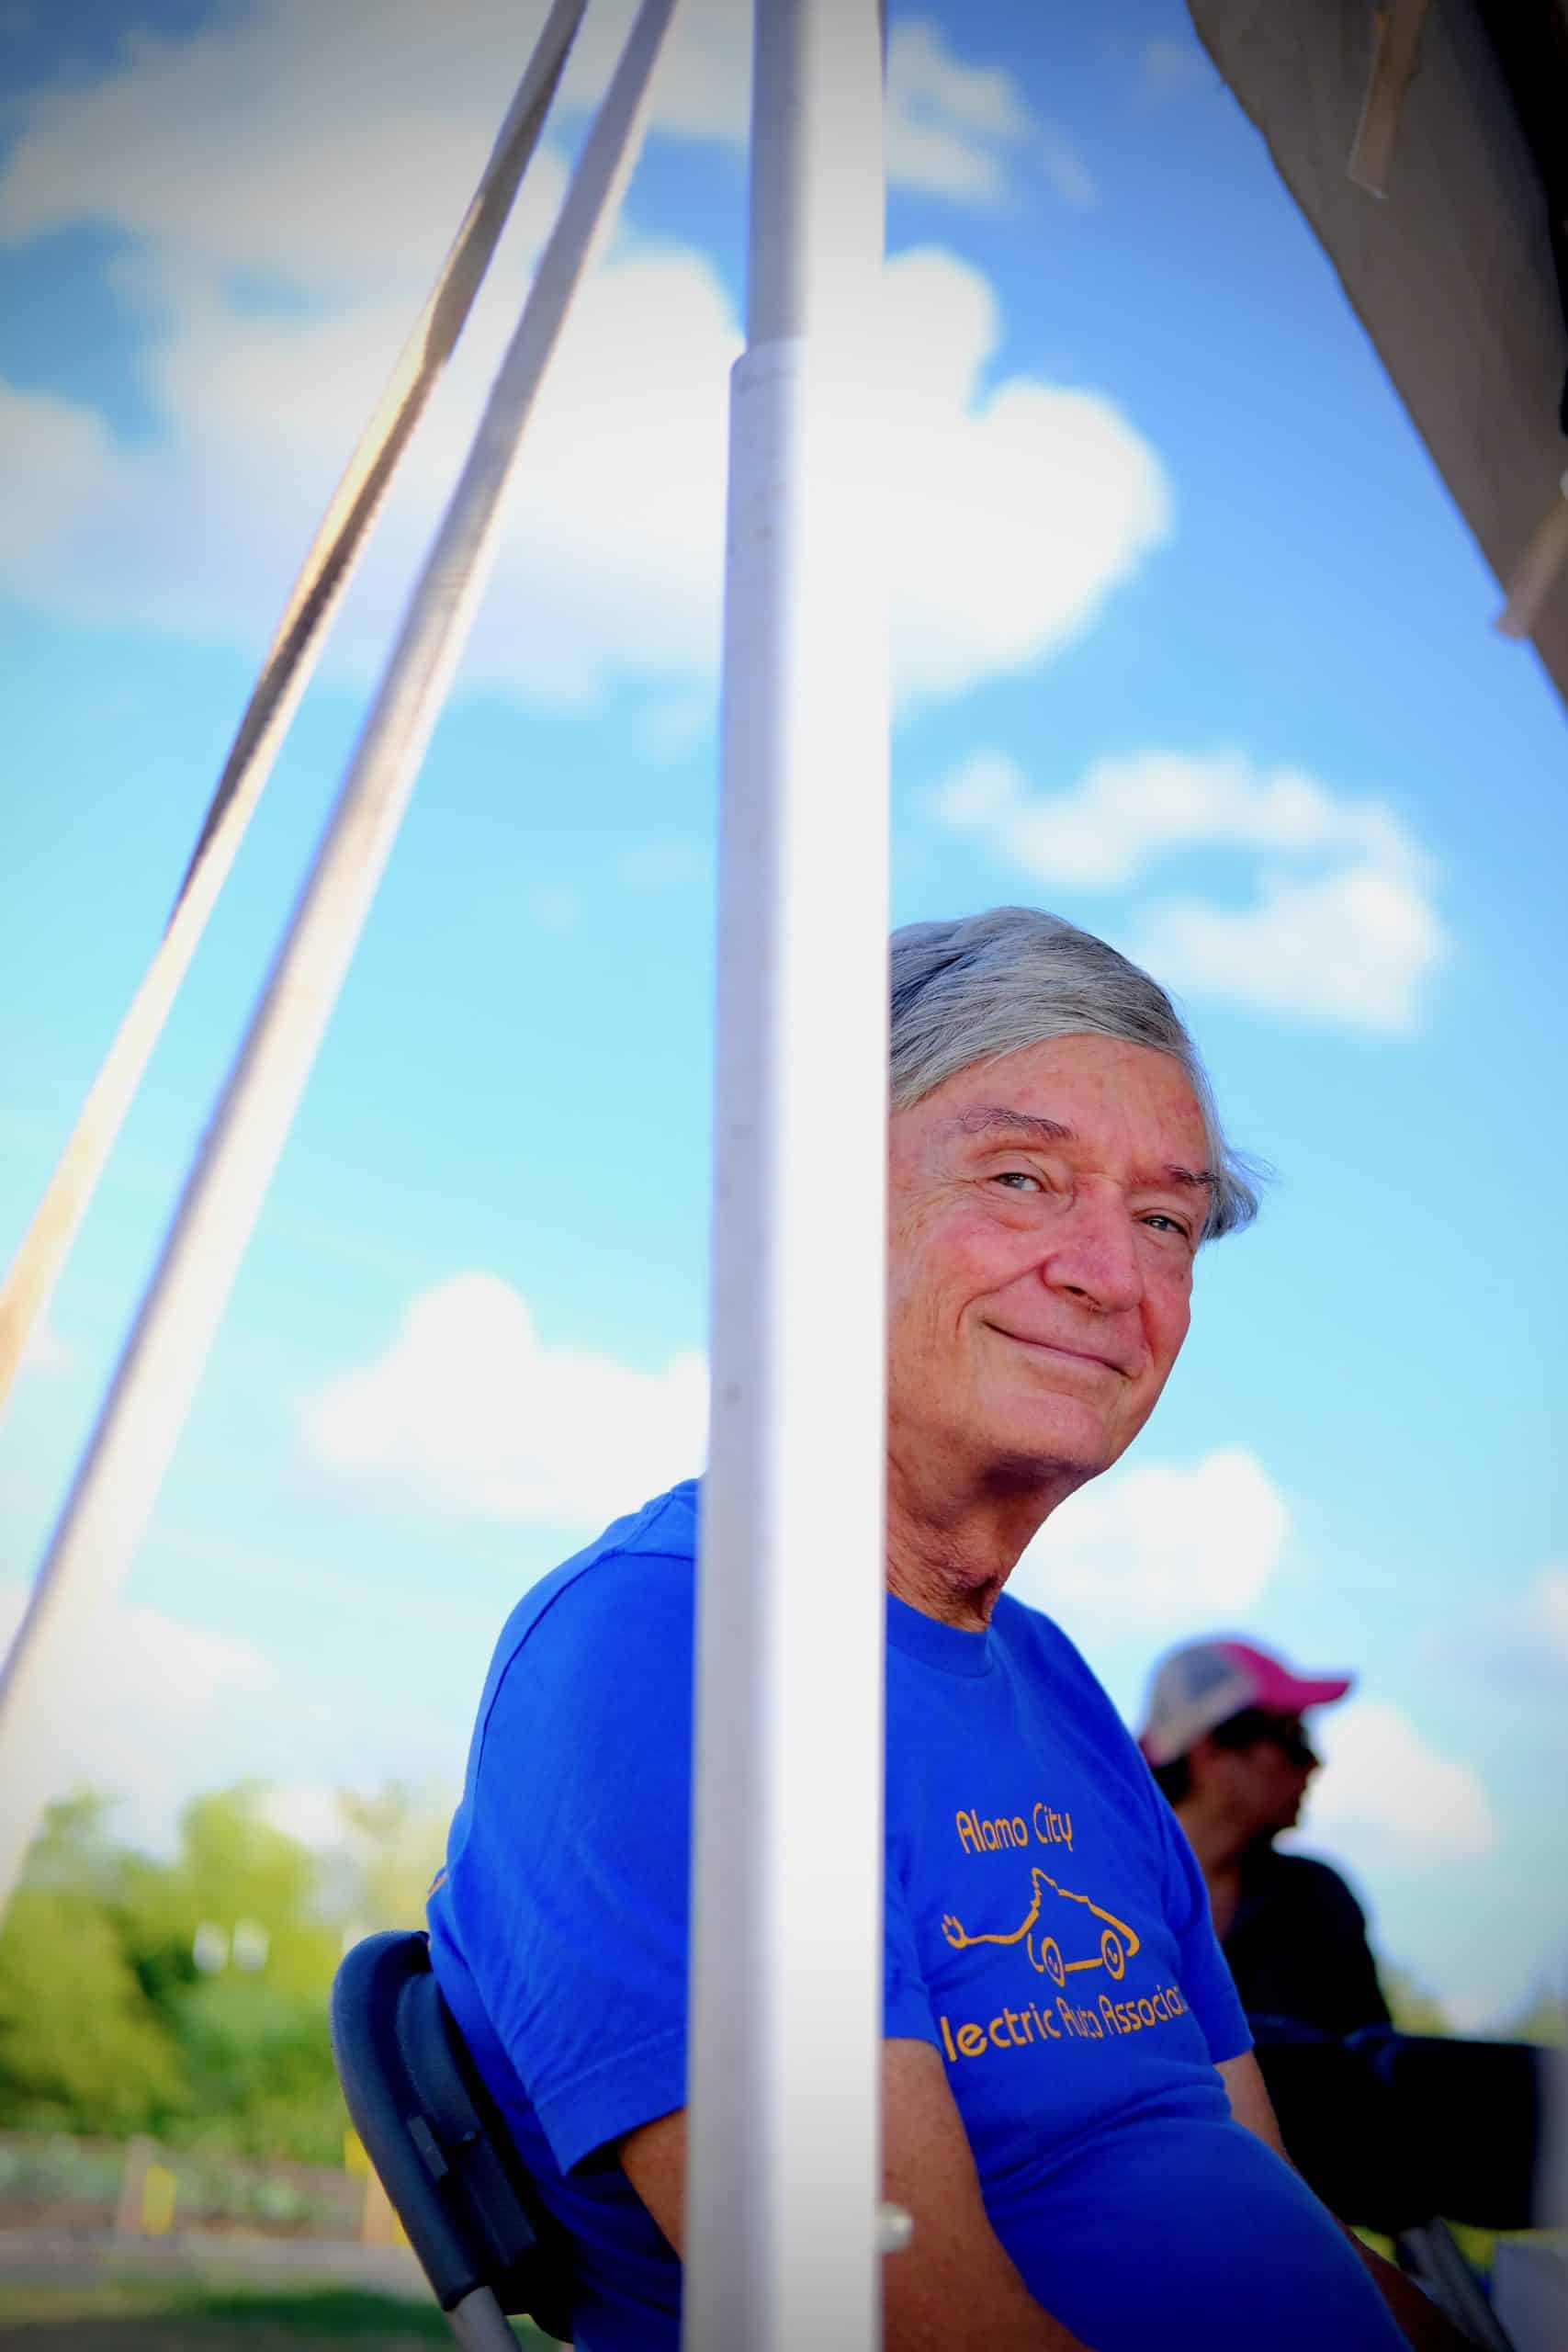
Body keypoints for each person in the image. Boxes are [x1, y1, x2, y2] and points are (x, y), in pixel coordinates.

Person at [427, 906, 1459, 2351]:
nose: (1109, 1274)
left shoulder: (1045, 1679)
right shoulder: (675, 1656)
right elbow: (887, 2321)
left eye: (1162, 1221)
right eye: (1021, 1178)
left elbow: (1248, 2178)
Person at [1136, 1635, 1392, 2038]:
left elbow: (1366, 2066)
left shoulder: (1318, 1902)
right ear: (1210, 1753)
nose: (1315, 1763)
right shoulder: (1097, 1895)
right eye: (1293, 1738)